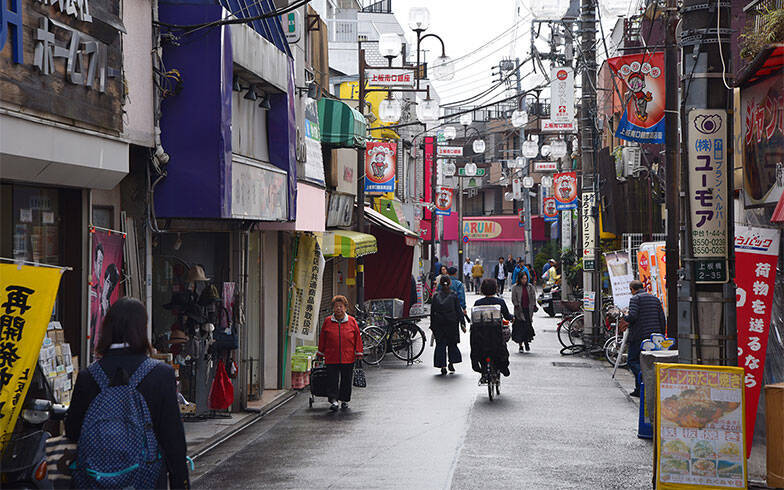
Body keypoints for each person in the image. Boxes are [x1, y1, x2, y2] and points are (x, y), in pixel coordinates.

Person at [66, 297, 189, 489]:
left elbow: (73, 431)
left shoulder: (88, 376)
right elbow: (173, 439)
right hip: (146, 479)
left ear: (107, 328)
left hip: (95, 480)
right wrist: (180, 483)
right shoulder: (161, 374)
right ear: (142, 329)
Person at [317, 295, 363, 411]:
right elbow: (322, 338)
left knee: (346, 379)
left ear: (345, 308)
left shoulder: (352, 321)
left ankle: (344, 399)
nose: (339, 309)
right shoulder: (327, 321)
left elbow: (357, 338)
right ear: (333, 308)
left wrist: (359, 352)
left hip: (348, 356)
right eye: (336, 306)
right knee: (332, 379)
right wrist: (320, 353)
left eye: (341, 306)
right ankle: (333, 400)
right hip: (331, 356)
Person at [623, 280, 666, 397]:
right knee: (648, 361)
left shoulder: (635, 299)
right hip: (654, 337)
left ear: (632, 289)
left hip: (639, 335)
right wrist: (661, 334)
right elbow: (662, 318)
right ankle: (639, 389)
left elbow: (632, 316)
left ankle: (643, 377)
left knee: (633, 361)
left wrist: (625, 316)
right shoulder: (655, 299)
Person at [471, 279, 513, 382]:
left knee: (478, 349)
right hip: (496, 335)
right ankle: (503, 367)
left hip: (481, 335)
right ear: (495, 288)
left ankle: (483, 371)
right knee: (502, 349)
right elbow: (507, 316)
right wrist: (513, 318)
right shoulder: (500, 302)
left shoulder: (478, 303)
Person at [430, 276, 466, 375]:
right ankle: (451, 363)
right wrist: (462, 323)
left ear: (440, 284)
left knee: (440, 345)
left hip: (439, 324)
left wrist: (432, 326)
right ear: (449, 283)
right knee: (452, 344)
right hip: (452, 324)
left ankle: (442, 366)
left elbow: (432, 312)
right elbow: (458, 310)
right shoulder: (453, 295)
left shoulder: (435, 296)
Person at [511, 272, 538, 352]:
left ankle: (526, 342)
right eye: (522, 279)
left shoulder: (530, 287)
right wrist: (516, 305)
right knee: (519, 329)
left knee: (527, 327)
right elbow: (514, 298)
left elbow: (533, 297)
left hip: (528, 310)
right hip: (519, 310)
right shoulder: (515, 287)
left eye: (525, 279)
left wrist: (534, 305)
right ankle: (520, 345)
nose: (524, 280)